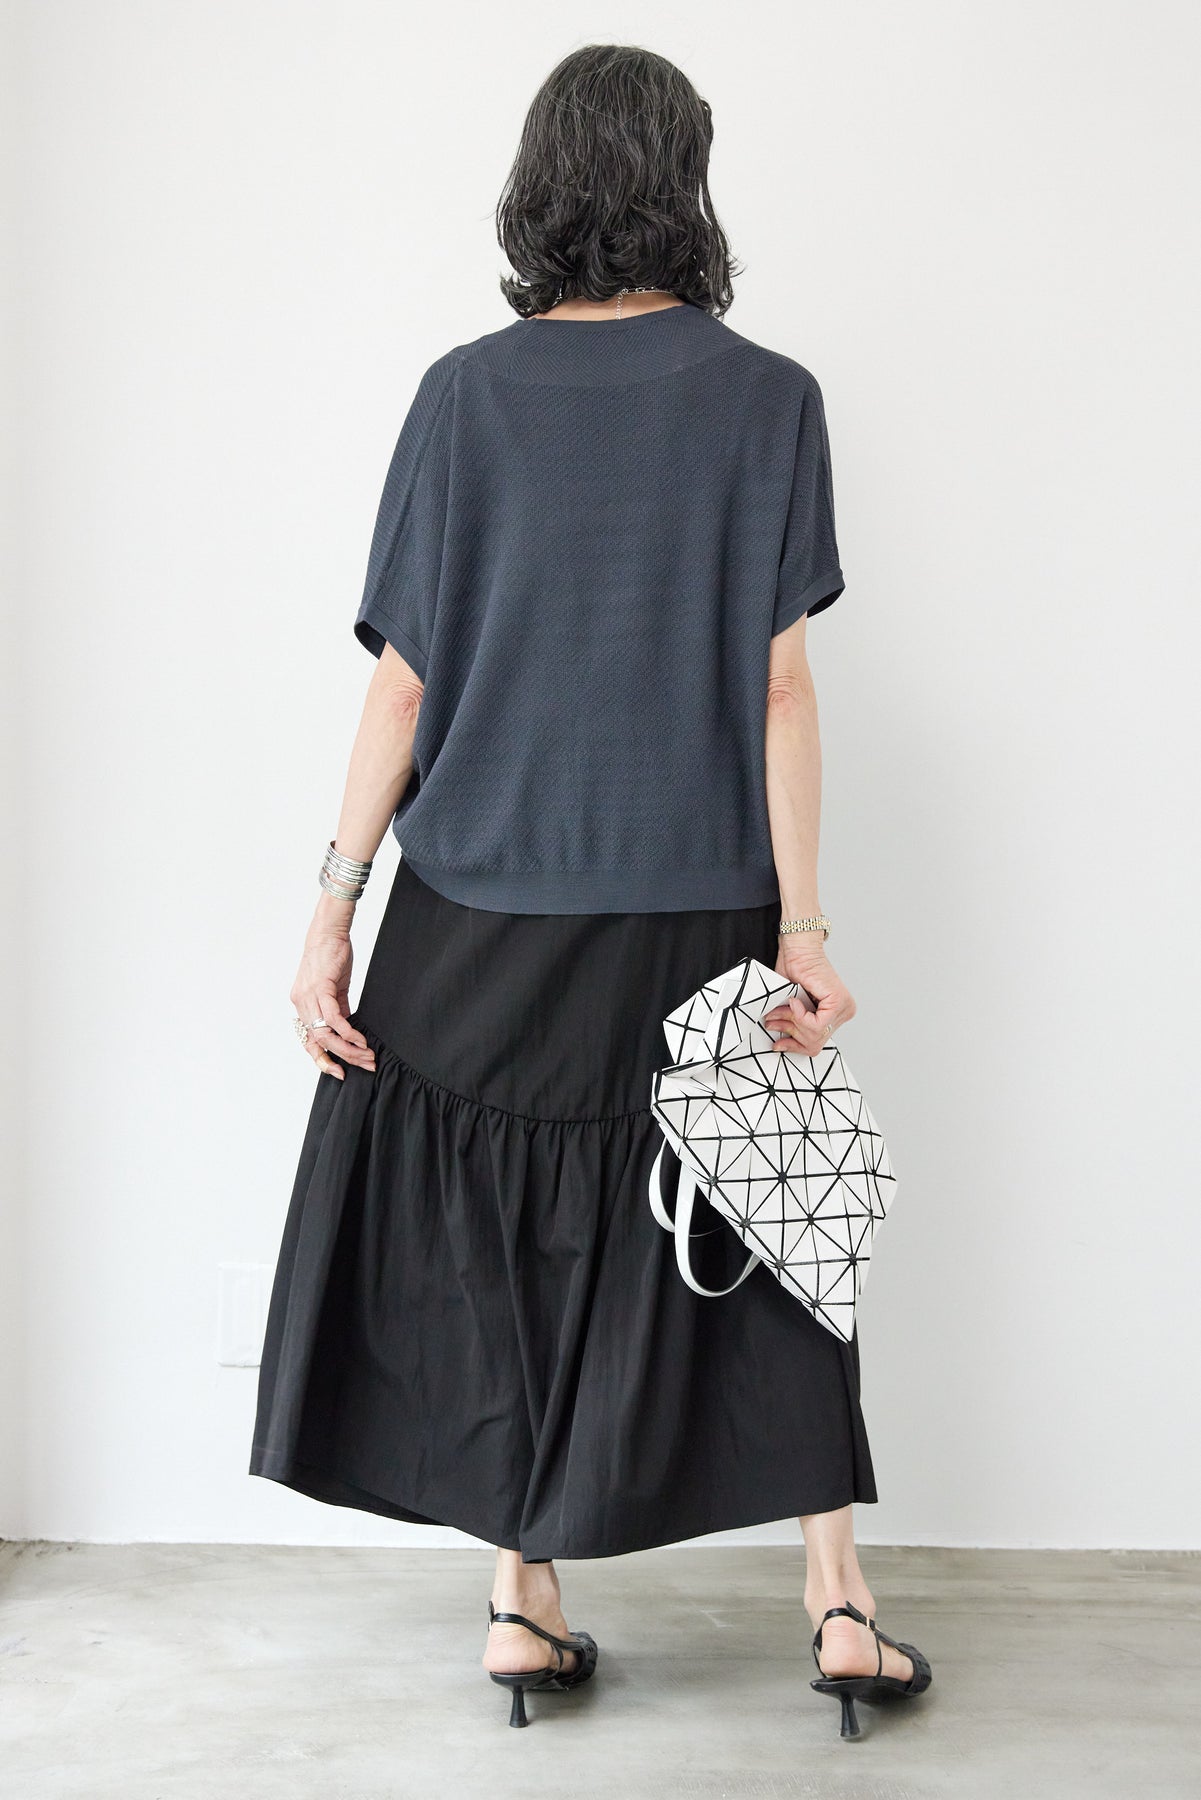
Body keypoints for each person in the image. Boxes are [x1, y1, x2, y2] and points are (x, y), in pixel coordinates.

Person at [248, 41, 932, 1739]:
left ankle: (520, 1597)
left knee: (493, 1238)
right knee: (763, 1211)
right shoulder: (769, 398)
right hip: (693, 900)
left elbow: (404, 685)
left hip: (476, 913)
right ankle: (837, 1603)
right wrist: (803, 928)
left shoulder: (462, 396)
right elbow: (779, 687)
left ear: (538, 182)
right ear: (683, 178)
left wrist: (334, 901)